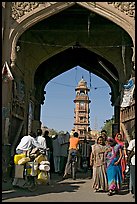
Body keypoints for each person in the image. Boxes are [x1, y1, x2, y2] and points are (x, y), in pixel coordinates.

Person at [127, 132, 135, 199]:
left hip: (133, 162)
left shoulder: (132, 142)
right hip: (133, 162)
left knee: (134, 178)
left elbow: (129, 151)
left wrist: (128, 160)